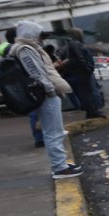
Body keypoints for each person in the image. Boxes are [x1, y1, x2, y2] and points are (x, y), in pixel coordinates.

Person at [12, 20, 82, 179]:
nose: (40, 37)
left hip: (43, 93)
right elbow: (36, 72)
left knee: (53, 130)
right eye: (37, 34)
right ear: (30, 33)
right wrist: (50, 90)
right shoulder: (25, 49)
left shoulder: (23, 48)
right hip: (45, 94)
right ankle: (60, 167)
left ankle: (61, 164)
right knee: (54, 132)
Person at [0, 28, 44, 147]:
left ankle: (39, 138)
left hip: (20, 86)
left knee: (33, 113)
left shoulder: (6, 51)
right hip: (29, 85)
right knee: (37, 112)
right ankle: (40, 138)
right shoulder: (19, 50)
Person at [62, 28, 104, 119]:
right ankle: (92, 111)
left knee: (85, 93)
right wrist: (87, 68)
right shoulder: (76, 44)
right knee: (88, 93)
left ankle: (91, 111)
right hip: (82, 72)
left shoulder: (71, 45)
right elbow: (80, 57)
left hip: (80, 72)